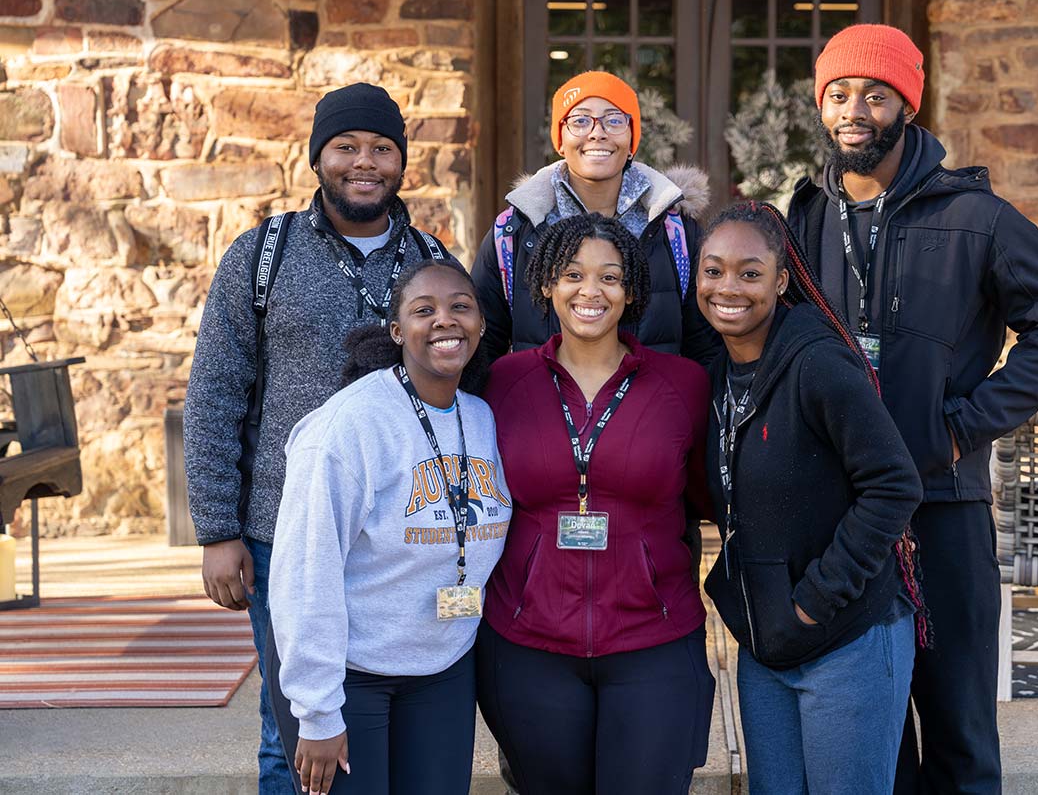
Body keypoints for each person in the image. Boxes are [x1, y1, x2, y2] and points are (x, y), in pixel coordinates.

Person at [786, 24, 1038, 794]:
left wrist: (961, 426)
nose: (855, 108)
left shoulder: (982, 218)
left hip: (942, 505)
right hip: (844, 512)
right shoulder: (802, 222)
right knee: (873, 733)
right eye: (839, 93)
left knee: (957, 732)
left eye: (875, 94)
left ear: (906, 107)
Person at [183, 82, 452, 794]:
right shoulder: (261, 256)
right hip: (283, 533)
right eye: (347, 146)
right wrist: (217, 529)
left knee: (384, 717)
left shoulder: (431, 260)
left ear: (401, 161)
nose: (365, 162)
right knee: (293, 730)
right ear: (318, 156)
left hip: (400, 539)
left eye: (382, 148)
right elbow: (214, 391)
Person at [476, 213, 716, 795]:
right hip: (528, 643)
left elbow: (716, 494)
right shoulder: (503, 382)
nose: (591, 291)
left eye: (610, 277)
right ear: (547, 287)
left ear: (631, 289)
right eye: (573, 275)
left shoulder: (683, 384)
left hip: (652, 640)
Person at [697, 200, 923, 794]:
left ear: (781, 279)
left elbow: (894, 484)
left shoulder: (818, 362)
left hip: (847, 638)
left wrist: (814, 601)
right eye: (713, 270)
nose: (729, 288)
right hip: (766, 647)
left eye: (750, 273)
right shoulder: (719, 374)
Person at [266, 256, 510, 795]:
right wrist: (318, 711)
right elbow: (306, 572)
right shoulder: (349, 426)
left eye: (460, 307)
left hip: (443, 665)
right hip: (351, 673)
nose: (445, 320)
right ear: (398, 331)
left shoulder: (480, 417)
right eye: (425, 310)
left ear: (481, 324)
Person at [472, 70, 719, 369]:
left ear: (631, 139)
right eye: (579, 120)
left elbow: (706, 348)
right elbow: (482, 343)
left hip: (652, 410)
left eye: (614, 120)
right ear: (560, 140)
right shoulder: (515, 232)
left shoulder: (674, 231)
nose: (597, 132)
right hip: (542, 409)